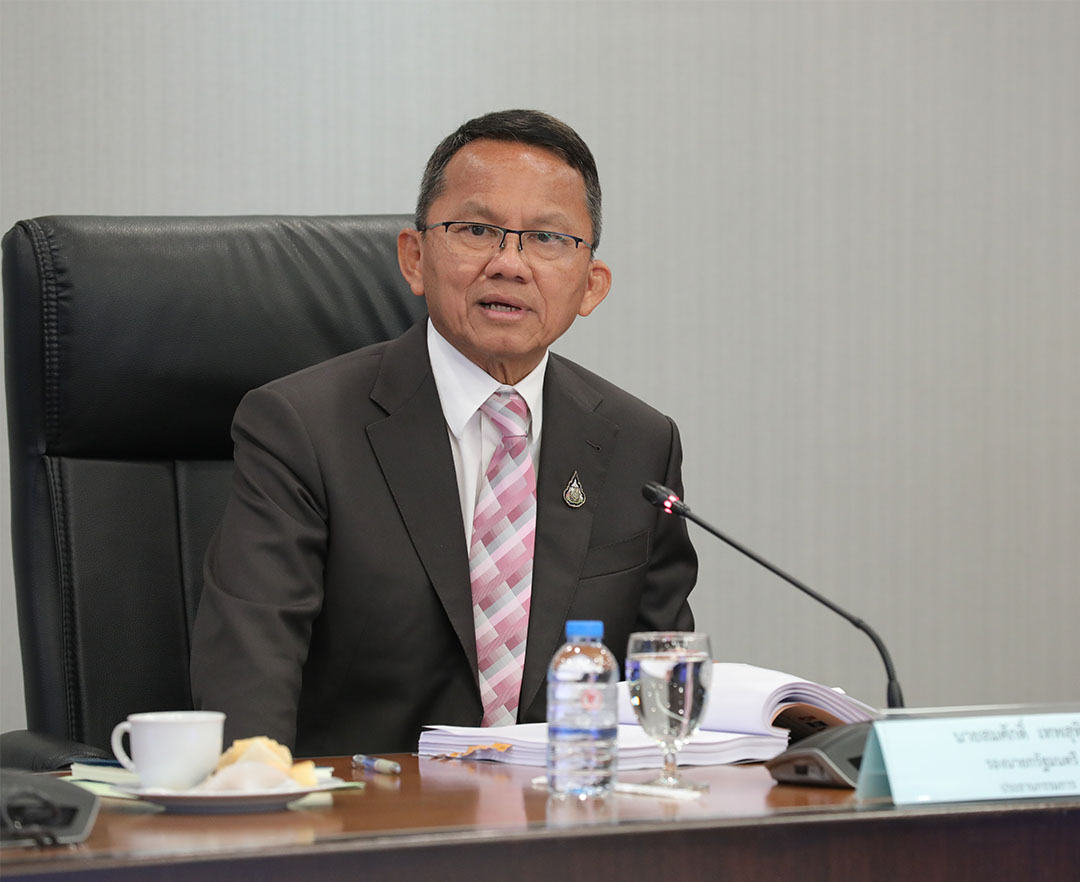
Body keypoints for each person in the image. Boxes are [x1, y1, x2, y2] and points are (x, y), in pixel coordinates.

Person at [190, 109, 697, 756]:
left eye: (547, 238)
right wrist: (256, 791)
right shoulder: (301, 428)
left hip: (566, 810)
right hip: (366, 810)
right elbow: (250, 668)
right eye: (477, 230)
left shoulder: (639, 444)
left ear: (591, 285)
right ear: (414, 257)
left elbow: (660, 689)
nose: (509, 264)